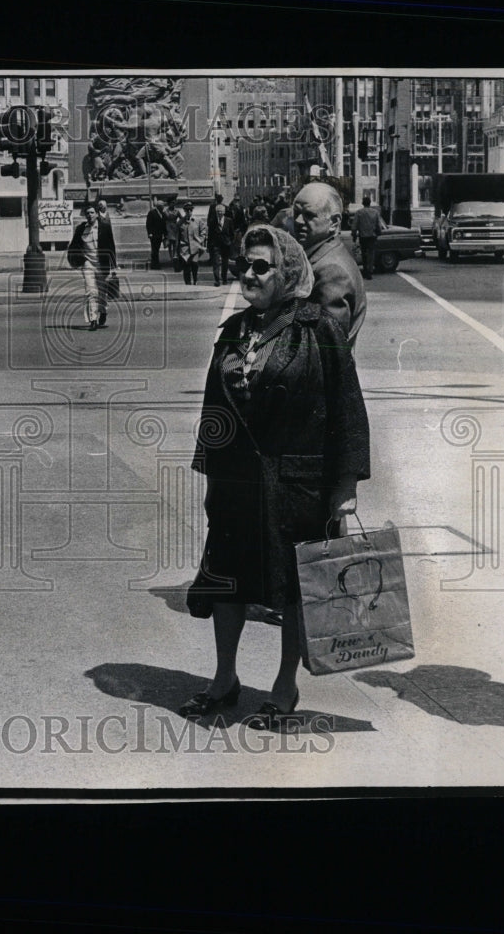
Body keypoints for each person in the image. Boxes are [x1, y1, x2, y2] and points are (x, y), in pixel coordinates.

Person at [183, 225, 370, 727]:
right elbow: (214, 409)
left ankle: (285, 685)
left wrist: (345, 486)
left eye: (260, 266)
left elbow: (347, 407)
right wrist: (211, 475)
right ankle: (225, 678)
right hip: (238, 483)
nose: (248, 273)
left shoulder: (317, 328)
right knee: (228, 582)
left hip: (297, 484)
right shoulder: (235, 330)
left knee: (292, 588)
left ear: (285, 272)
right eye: (245, 263)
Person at [292, 182, 366, 349]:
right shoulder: (322, 257)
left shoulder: (331, 271)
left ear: (334, 222)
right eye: (296, 213)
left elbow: (326, 346)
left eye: (309, 215)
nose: (298, 221)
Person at [66, 203, 116, 330]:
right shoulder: (81, 229)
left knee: (102, 292)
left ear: (97, 214)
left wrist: (113, 266)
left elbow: (111, 247)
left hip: (102, 263)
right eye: (87, 213)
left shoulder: (104, 227)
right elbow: (74, 246)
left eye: (92, 213)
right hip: (87, 264)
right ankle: (93, 320)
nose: (89, 215)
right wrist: (77, 260)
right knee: (90, 291)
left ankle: (103, 311)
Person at [351, 194, 384, 280]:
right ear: (370, 203)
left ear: (363, 203)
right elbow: (378, 225)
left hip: (363, 236)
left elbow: (354, 226)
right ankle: (370, 271)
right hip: (372, 236)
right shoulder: (375, 212)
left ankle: (365, 270)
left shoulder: (359, 212)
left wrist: (354, 235)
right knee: (371, 254)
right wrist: (379, 233)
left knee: (364, 254)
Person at [176, 201, 207, 285]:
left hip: (195, 247)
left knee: (194, 264)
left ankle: (195, 280)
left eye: (190, 210)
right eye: (187, 210)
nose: (189, 212)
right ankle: (187, 283)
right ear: (184, 211)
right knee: (186, 267)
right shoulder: (180, 223)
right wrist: (177, 250)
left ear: (192, 210)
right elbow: (177, 237)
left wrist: (200, 240)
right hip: (184, 248)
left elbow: (203, 231)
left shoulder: (198, 220)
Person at [206, 194, 234, 286]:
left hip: (226, 244)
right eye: (218, 211)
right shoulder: (212, 221)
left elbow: (231, 233)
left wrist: (230, 242)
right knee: (216, 262)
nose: (220, 213)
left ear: (224, 211)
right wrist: (208, 245)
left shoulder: (229, 221)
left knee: (225, 263)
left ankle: (224, 278)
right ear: (216, 212)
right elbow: (209, 234)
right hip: (215, 244)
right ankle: (217, 280)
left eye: (221, 211)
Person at [145, 199, 166, 271]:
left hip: (159, 235)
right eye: (163, 206)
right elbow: (148, 224)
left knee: (157, 249)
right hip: (153, 235)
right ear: (159, 206)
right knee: (154, 250)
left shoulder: (162, 214)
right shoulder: (152, 213)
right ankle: (155, 264)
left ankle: (155, 263)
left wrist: (165, 234)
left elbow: (164, 225)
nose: (163, 207)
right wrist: (149, 233)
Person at [164, 199, 181, 269]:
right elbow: (163, 220)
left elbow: (181, 218)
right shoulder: (165, 212)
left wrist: (179, 224)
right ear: (168, 204)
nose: (173, 204)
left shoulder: (177, 211)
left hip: (175, 228)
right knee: (169, 243)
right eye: (171, 203)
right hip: (168, 228)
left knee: (175, 243)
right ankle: (170, 257)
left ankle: (174, 256)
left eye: (174, 203)